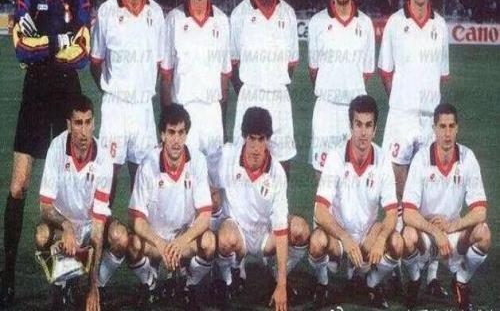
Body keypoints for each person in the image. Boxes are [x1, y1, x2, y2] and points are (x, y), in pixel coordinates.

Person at [1, 0, 91, 307]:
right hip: (36, 91)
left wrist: (45, 42)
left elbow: (82, 52)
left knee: (65, 186)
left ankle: (65, 275)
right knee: (19, 185)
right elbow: (21, 47)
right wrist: (59, 41)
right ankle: (7, 275)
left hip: (68, 92)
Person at [378, 0, 449, 294]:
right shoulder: (395, 24)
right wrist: (404, 100)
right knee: (397, 192)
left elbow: (442, 76)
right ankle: (397, 266)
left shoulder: (441, 25)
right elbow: (385, 72)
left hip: (429, 120)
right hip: (402, 117)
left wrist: (427, 107)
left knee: (431, 194)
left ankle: (431, 274)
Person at [34, 94, 129, 310]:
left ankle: (97, 286)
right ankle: (63, 283)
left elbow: (98, 225)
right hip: (61, 225)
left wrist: (92, 286)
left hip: (89, 225)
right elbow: (45, 206)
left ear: (94, 123)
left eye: (88, 122)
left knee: (120, 237)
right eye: (78, 123)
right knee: (41, 235)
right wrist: (66, 226)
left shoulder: (103, 158)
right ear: (69, 125)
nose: (84, 131)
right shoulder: (56, 148)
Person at [309, 95, 402, 309]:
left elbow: (391, 212)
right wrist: (345, 237)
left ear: (375, 129)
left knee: (397, 242)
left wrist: (380, 239)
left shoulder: (383, 159)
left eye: (368, 125)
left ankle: (371, 284)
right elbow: (320, 211)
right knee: (316, 242)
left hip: (366, 234)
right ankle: (323, 284)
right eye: (358, 124)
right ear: (351, 126)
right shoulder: (335, 157)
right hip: (338, 235)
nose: (363, 132)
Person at [90, 0, 166, 202]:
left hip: (143, 107)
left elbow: (158, 64)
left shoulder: (156, 13)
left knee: (143, 179)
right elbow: (96, 62)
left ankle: (138, 230)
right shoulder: (107, 11)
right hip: (115, 106)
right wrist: (111, 89)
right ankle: (101, 229)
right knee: (107, 178)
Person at [214, 107, 310, 311]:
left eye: (261, 139)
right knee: (225, 238)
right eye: (252, 138)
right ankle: (229, 276)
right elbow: (211, 191)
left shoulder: (277, 173)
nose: (256, 147)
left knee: (300, 230)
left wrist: (282, 285)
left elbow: (281, 229)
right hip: (237, 233)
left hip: (265, 235)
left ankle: (278, 274)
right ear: (243, 137)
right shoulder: (227, 156)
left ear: (268, 140)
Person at [160, 0, 231, 228]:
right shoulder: (174, 20)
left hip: (212, 111)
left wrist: (221, 114)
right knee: (185, 179)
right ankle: (185, 242)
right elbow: (166, 74)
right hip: (185, 111)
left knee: (214, 182)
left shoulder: (221, 21)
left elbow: (225, 75)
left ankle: (215, 244)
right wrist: (168, 117)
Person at [402, 103, 490, 310]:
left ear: (457, 128)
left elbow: (480, 210)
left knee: (484, 234)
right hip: (426, 233)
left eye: (451, 126)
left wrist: (452, 226)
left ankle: (461, 281)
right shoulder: (421, 159)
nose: (447, 133)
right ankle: (415, 280)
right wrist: (435, 231)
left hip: (453, 233)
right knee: (407, 236)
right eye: (442, 126)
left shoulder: (468, 158)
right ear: (434, 129)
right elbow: (408, 213)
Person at [127, 104, 215, 310]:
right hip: (155, 240)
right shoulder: (148, 165)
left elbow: (205, 216)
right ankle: (149, 281)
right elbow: (136, 219)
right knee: (131, 244)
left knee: (210, 242)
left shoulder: (198, 161)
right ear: (162, 135)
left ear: (186, 134)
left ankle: (188, 284)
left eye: (181, 133)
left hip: (184, 239)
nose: (176, 140)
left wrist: (180, 242)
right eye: (171, 132)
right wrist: (160, 244)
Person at [230, 0, 299, 176]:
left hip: (278, 96)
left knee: (282, 158)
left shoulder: (288, 13)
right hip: (250, 95)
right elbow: (233, 63)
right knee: (244, 161)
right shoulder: (239, 14)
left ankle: (280, 200)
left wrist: (274, 81)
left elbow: (291, 64)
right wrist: (250, 89)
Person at [308, 0, 375, 181]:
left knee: (353, 175)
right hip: (326, 109)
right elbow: (313, 70)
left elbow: (366, 72)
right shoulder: (317, 22)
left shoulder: (365, 24)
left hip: (354, 112)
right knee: (322, 173)